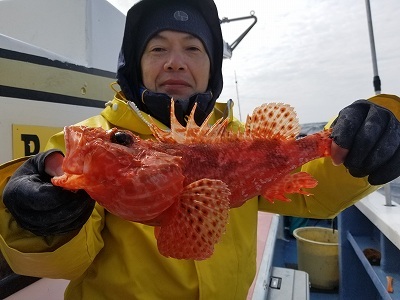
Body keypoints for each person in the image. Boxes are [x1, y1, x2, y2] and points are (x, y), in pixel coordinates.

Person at [1, 0, 400, 298]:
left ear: (212, 67)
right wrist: (39, 224)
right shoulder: (94, 138)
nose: (175, 62)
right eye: (157, 49)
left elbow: (314, 195)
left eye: (193, 49)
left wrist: (368, 135)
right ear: (135, 64)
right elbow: (65, 262)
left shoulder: (241, 137)